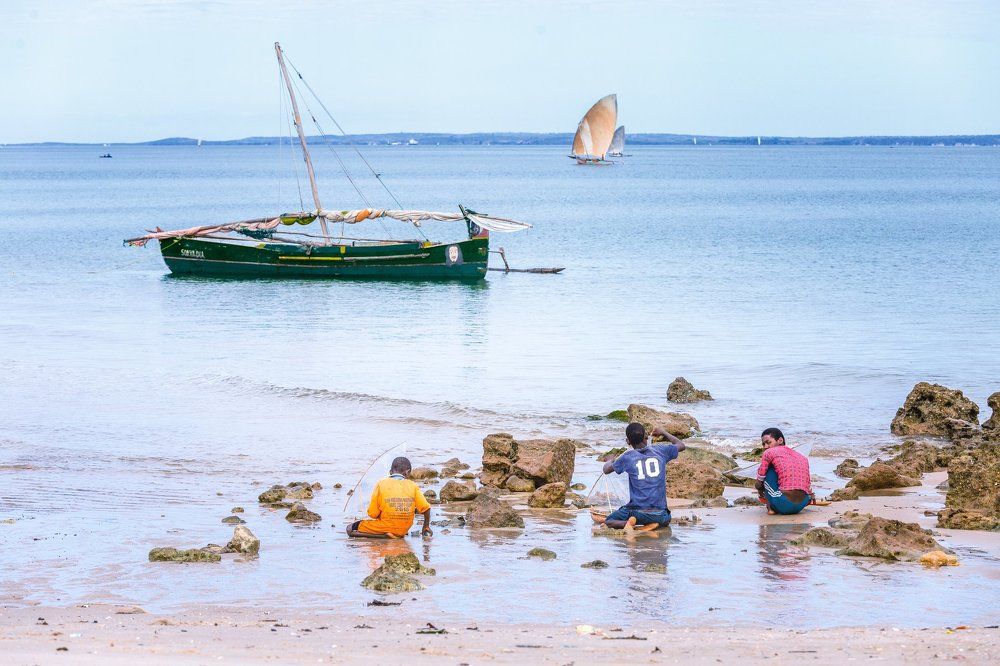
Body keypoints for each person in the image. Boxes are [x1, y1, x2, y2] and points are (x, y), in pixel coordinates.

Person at [591, 422, 685, 533]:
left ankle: (630, 524)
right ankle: (651, 525)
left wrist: (610, 460)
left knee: (609, 521)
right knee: (664, 518)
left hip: (638, 513)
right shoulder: (661, 450)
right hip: (662, 516)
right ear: (646, 437)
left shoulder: (628, 457)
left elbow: (606, 470)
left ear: (628, 441)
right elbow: (681, 445)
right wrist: (664, 432)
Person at [347, 456, 432, 539]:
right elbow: (426, 508)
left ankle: (383, 536)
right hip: (403, 529)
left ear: (390, 472)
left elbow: (372, 514)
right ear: (408, 472)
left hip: (386, 527)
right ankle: (395, 534)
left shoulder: (381, 484)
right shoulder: (413, 485)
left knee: (350, 529)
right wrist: (426, 526)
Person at [755, 427, 812, 515]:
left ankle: (770, 508)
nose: (766, 447)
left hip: (784, 504)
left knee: (767, 471)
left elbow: (759, 482)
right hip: (802, 504)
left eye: (768, 442)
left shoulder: (769, 452)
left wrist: (759, 489)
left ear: (780, 440)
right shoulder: (802, 457)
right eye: (763, 444)